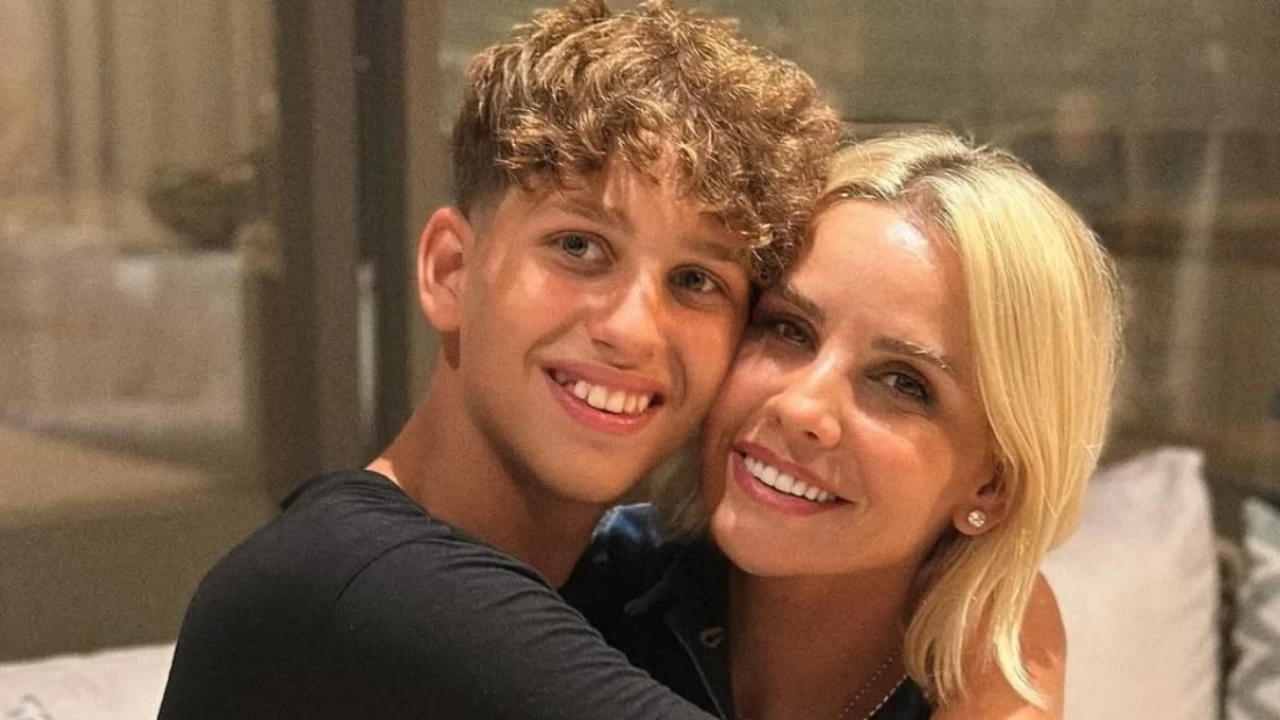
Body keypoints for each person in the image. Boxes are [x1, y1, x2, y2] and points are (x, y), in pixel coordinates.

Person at [157, 1, 840, 718]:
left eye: (696, 280)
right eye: (579, 246)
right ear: (450, 271)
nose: (634, 331)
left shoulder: (621, 594)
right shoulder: (350, 581)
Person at [563, 131, 1123, 719]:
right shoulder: (590, 578)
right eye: (788, 328)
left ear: (994, 485)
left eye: (903, 383)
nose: (801, 406)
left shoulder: (985, 677)